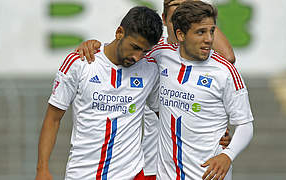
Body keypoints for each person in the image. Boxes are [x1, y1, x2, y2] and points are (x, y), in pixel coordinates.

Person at [75, 1, 234, 179]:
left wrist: (212, 130)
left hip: (188, 166)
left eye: (190, 21)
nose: (182, 26)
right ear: (165, 20)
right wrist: (91, 45)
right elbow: (117, 49)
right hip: (153, 163)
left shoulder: (206, 63)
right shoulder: (153, 52)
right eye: (177, 20)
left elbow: (228, 57)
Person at [35, 6, 163, 180]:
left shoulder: (150, 70)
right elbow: (53, 118)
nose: (137, 57)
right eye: (134, 47)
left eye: (145, 51)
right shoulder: (80, 62)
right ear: (119, 32)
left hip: (131, 174)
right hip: (82, 173)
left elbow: (165, 117)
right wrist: (42, 169)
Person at [145, 1, 254, 179]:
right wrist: (95, 48)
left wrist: (228, 154)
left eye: (212, 31)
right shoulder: (161, 55)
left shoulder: (224, 71)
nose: (209, 39)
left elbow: (245, 124)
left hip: (207, 175)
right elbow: (124, 55)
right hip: (166, 175)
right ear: (180, 35)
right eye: (200, 32)